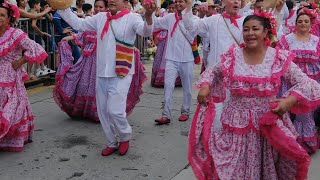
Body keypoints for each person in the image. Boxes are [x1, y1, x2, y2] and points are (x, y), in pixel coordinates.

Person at [189, 12, 320, 180]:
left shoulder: (277, 57)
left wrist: (289, 101)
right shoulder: (232, 56)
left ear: (265, 32)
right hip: (235, 125)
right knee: (231, 168)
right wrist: (205, 86)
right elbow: (212, 72)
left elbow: (308, 83)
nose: (250, 33)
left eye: (255, 29)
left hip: (267, 126)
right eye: (246, 29)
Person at [53, 0, 156, 156]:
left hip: (122, 71)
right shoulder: (100, 17)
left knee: (115, 110)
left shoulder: (132, 18)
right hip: (101, 71)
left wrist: (148, 15)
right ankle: (111, 142)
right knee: (102, 111)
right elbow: (78, 23)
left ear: (125, 2)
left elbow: (146, 32)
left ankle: (124, 136)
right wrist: (62, 6)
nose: (112, 0)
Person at [0, 0, 48, 151]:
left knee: (11, 108)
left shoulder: (15, 34)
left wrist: (20, 61)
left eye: (2, 15)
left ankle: (10, 137)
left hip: (10, 77)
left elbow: (35, 47)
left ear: (9, 18)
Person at [278, 10, 320, 154]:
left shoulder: (316, 40)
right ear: (295, 24)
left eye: (306, 21)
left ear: (311, 24)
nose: (303, 23)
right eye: (300, 21)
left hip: (309, 81)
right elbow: (280, 58)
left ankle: (304, 143)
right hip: (289, 80)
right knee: (287, 112)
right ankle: (288, 143)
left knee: (305, 112)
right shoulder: (286, 39)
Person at [153, 0, 199, 125]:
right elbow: (155, 24)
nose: (178, 4)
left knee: (187, 88)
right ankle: (166, 114)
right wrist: (150, 13)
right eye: (177, 1)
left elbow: (191, 28)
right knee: (168, 86)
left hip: (187, 59)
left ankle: (185, 111)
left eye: (182, 1)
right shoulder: (169, 18)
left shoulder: (194, 19)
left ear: (187, 3)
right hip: (171, 59)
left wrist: (187, 11)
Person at [151, 0, 181, 87]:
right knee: (162, 58)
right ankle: (161, 79)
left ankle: (176, 79)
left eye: (173, 8)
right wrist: (151, 13)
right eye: (170, 8)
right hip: (164, 41)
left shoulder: (181, 16)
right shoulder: (166, 16)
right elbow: (157, 23)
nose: (171, 9)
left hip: (175, 41)